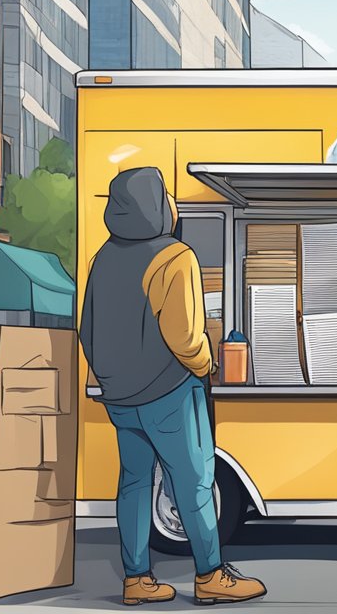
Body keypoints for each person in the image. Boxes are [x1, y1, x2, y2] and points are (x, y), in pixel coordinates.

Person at [80, 167, 265, 606]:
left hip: (120, 397)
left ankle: (136, 579)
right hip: (170, 392)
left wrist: (111, 377)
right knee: (195, 482)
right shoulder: (175, 257)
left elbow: (86, 330)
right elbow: (184, 337)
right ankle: (210, 576)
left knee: (134, 483)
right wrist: (208, 361)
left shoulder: (101, 260)